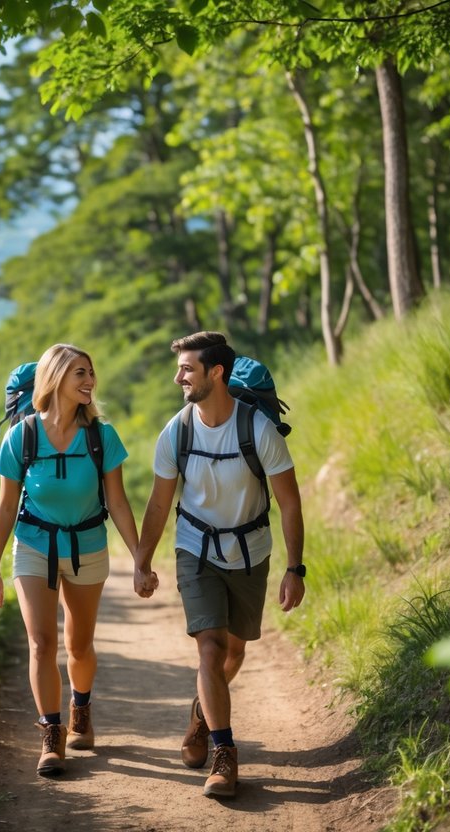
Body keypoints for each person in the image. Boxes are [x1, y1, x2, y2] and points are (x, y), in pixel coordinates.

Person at [132, 331, 305, 799]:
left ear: (216, 373)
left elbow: (289, 502)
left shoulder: (258, 429)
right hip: (196, 548)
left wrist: (296, 567)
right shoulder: (177, 431)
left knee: (234, 652)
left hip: (251, 550)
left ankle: (201, 711)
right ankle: (224, 753)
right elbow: (159, 503)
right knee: (209, 646)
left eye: (186, 369)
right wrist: (142, 561)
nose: (178, 377)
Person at [0, 343, 141, 778]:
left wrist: (140, 558)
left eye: (91, 372)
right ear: (56, 379)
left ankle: (81, 706)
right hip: (33, 545)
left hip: (87, 545)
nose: (90, 380)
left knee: (78, 645)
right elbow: (5, 506)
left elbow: (119, 502)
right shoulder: (22, 435)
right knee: (41, 643)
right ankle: (51, 734)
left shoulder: (101, 437)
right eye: (80, 373)